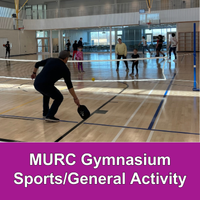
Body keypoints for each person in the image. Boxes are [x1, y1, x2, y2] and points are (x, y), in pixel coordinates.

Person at [31, 51, 80, 122]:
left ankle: (45, 113)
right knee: (59, 97)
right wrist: (75, 98)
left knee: (46, 94)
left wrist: (34, 73)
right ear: (66, 58)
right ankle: (50, 116)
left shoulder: (51, 60)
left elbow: (37, 64)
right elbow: (69, 86)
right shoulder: (65, 69)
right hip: (45, 85)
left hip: (37, 83)